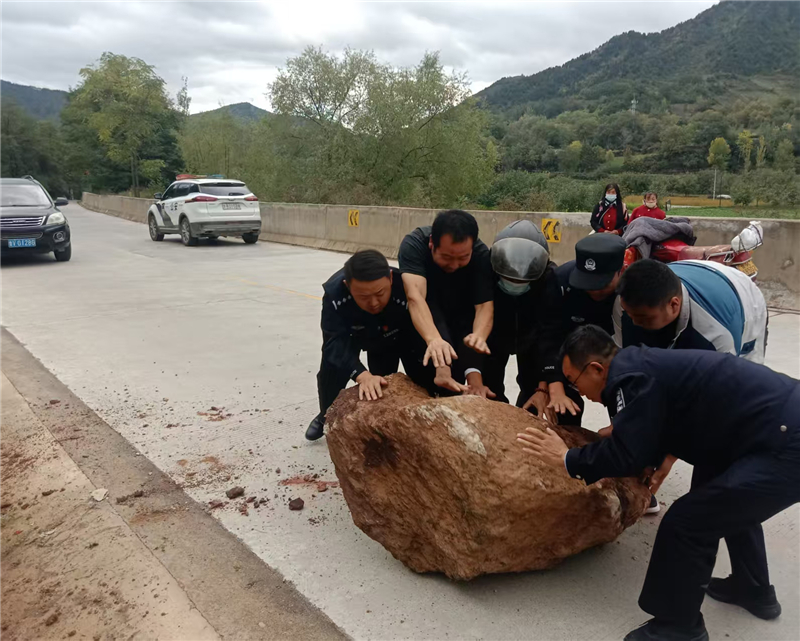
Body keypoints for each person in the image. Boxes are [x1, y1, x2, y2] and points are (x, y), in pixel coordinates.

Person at [517, 325, 798, 641]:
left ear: (596, 369)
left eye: (573, 380)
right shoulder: (639, 366)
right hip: (770, 428)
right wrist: (634, 437)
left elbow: (626, 455)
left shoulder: (630, 379)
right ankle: (753, 589)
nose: (577, 390)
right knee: (723, 498)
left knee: (688, 522)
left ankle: (679, 627)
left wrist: (568, 458)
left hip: (787, 441)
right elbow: (656, 424)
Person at [306, 250, 427, 441]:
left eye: (380, 293)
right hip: (351, 334)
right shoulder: (334, 294)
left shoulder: (403, 284)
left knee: (384, 381)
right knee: (331, 371)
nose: (374, 303)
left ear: (390, 279)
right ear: (347, 286)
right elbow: (334, 342)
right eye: (363, 296)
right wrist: (361, 375)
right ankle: (325, 416)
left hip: (390, 333)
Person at [399, 210, 495, 397]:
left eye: (463, 258)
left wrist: (479, 336)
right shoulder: (414, 245)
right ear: (432, 243)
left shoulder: (481, 254)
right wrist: (433, 340)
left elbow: (484, 305)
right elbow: (415, 297)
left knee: (455, 384)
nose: (454, 265)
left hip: (460, 309)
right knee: (422, 382)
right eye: (447, 257)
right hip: (426, 311)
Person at [614, 259, 768, 364]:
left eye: (643, 317)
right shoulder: (623, 305)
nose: (634, 322)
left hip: (742, 296)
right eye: (629, 314)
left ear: (674, 305)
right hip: (688, 269)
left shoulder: (717, 334)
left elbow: (723, 388)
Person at [482, 220, 562, 417]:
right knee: (490, 388)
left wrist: (543, 384)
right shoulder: (486, 270)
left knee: (532, 391)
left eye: (521, 280)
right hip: (494, 334)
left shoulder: (549, 277)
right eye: (509, 278)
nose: (515, 281)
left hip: (532, 337)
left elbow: (550, 331)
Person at [547, 234, 626, 428]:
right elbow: (549, 335)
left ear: (621, 272)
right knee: (563, 410)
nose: (595, 291)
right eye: (587, 282)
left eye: (602, 284)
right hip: (567, 354)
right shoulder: (560, 281)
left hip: (614, 354)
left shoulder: (632, 292)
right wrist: (554, 384)